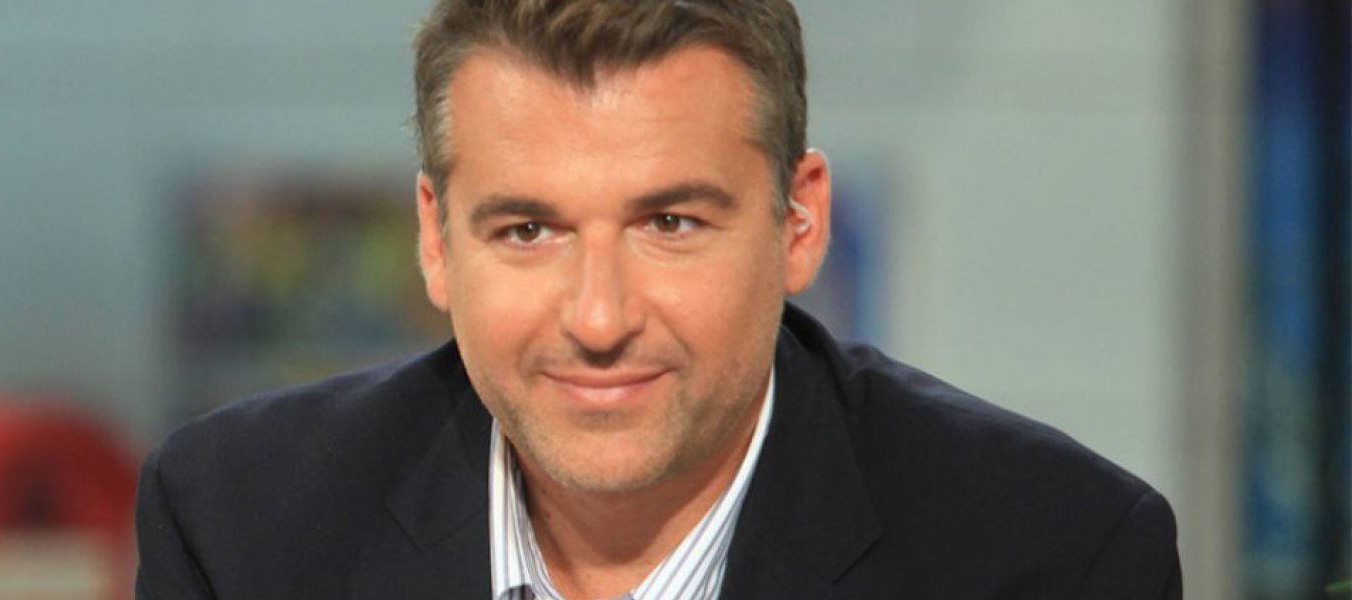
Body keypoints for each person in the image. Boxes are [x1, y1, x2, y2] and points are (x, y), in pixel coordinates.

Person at [134, 0, 1183, 598]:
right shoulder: (240, 529)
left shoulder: (1053, 556)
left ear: (798, 222)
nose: (599, 320)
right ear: (435, 240)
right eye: (528, 231)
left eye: (670, 223)